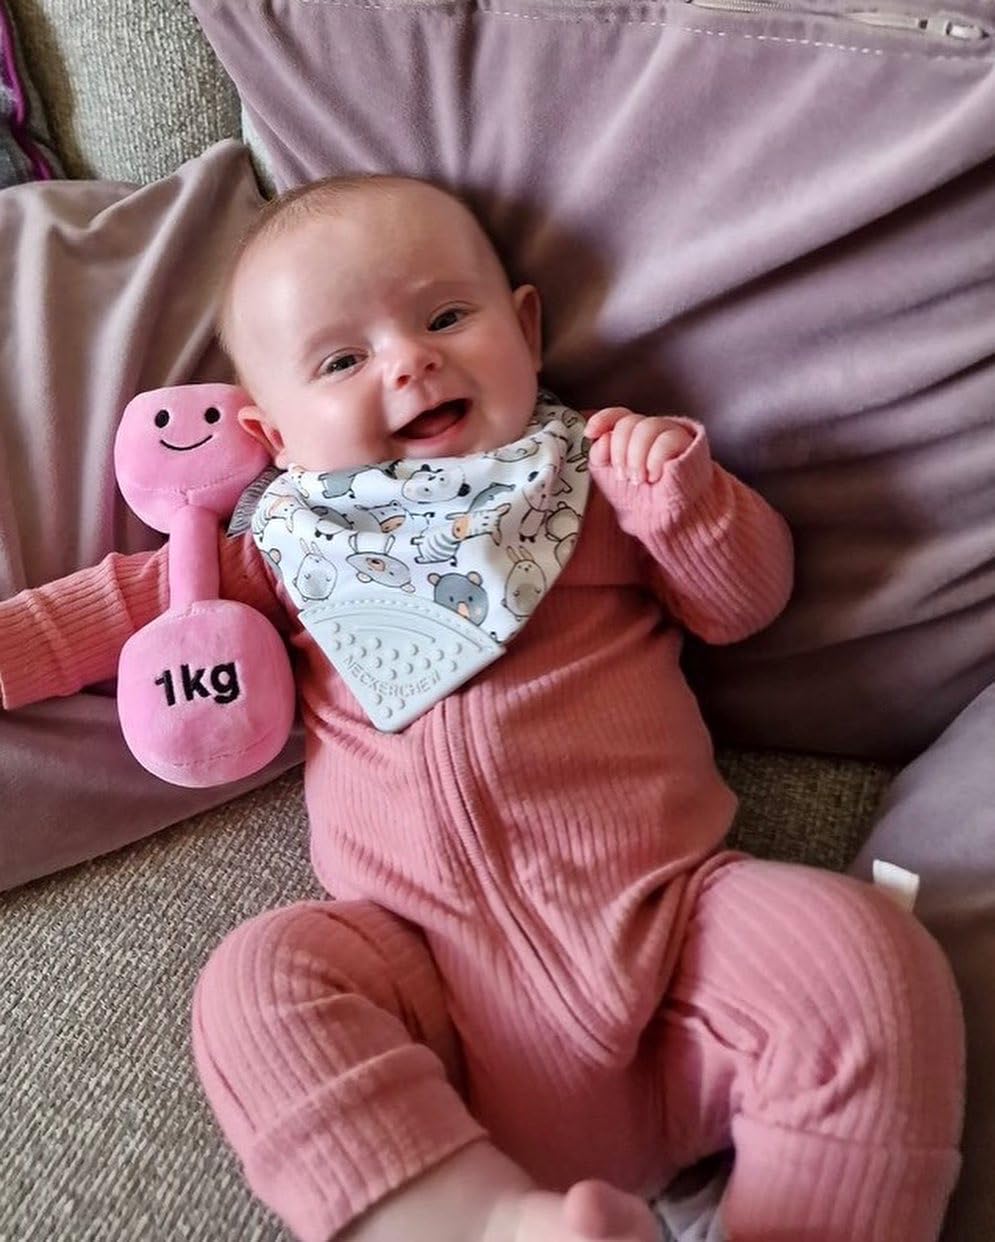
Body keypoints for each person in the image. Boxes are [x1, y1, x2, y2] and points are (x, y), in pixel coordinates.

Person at [0, 175, 963, 1242]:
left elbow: (740, 605)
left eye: (444, 316)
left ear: (526, 326)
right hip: (433, 1012)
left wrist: (686, 507)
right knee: (256, 984)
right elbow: (105, 611)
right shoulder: (282, 552)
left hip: (674, 949)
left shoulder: (588, 485)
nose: (407, 360)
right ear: (272, 438)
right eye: (341, 360)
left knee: (861, 959)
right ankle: (479, 1225)